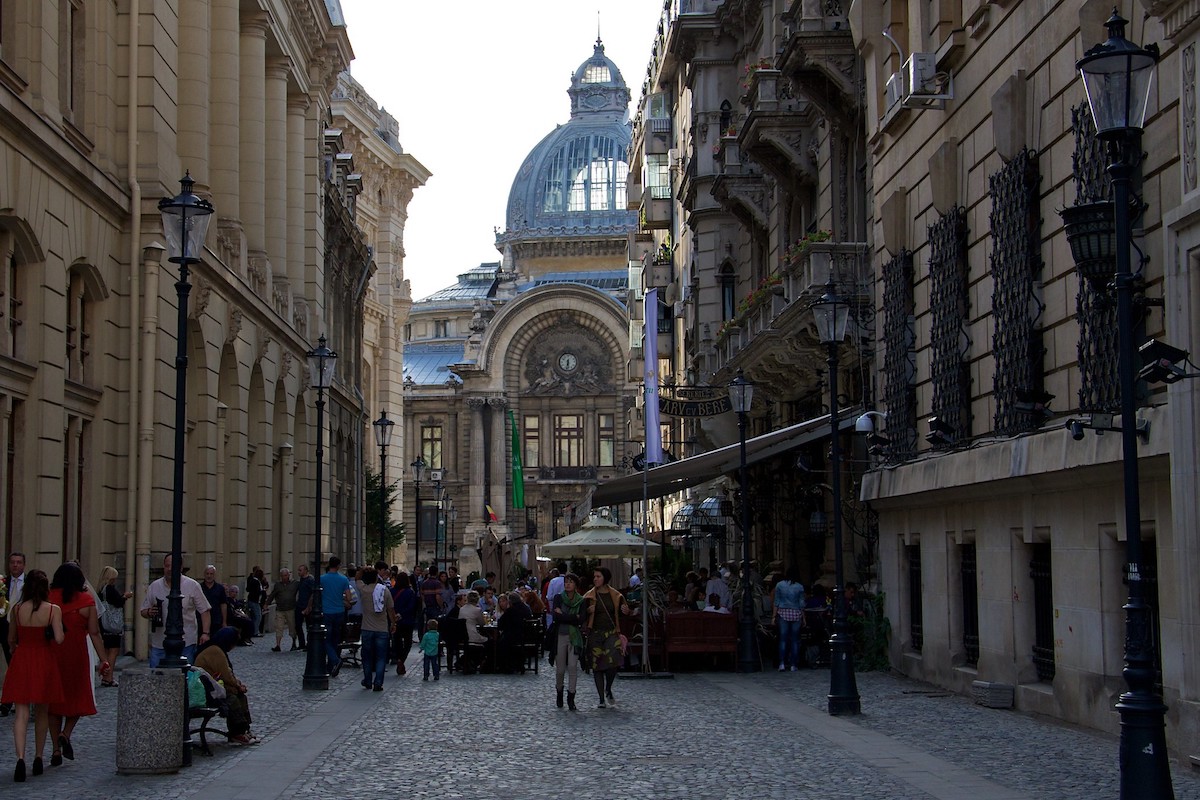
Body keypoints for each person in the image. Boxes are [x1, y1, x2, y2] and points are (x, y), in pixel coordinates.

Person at [1, 569, 64, 782]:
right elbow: (59, 638)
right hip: (43, 659)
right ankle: (38, 756)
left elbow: (11, 638)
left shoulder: (17, 609)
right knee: (42, 711)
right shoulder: (53, 609)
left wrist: (15, 648)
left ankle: (20, 758)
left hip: (23, 658)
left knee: (21, 712)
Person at [47, 563, 108, 767]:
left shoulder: (49, 599)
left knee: (54, 703)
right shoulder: (86, 601)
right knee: (78, 697)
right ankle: (66, 733)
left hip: (53, 653)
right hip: (77, 655)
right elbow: (94, 632)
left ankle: (55, 748)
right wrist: (104, 659)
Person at [140, 554, 211, 668]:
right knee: (156, 676)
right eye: (167, 566)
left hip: (186, 641)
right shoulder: (155, 586)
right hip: (159, 642)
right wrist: (149, 612)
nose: (169, 569)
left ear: (181, 568)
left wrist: (205, 633)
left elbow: (204, 610)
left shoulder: (192, 585)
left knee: (184, 676)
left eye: (173, 566)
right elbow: (143, 610)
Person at [193, 627, 258, 745]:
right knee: (232, 698)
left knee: (240, 696)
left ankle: (244, 729)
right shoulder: (215, 651)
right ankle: (237, 732)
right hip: (207, 691)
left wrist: (237, 685)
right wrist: (238, 686)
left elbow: (226, 674)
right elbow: (226, 675)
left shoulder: (217, 649)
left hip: (213, 687)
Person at [584, 566, 631, 708]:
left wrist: (626, 611)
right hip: (595, 633)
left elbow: (624, 611)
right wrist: (587, 611)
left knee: (613, 662)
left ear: (605, 578)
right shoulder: (589, 596)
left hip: (611, 632)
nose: (595, 579)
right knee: (597, 665)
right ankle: (601, 699)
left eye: (598, 576)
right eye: (594, 577)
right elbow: (581, 615)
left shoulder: (616, 595)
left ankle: (608, 688)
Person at [550, 573, 586, 711]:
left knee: (572, 667)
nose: (567, 584)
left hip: (574, 637)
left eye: (570, 582)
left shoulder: (581, 600)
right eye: (566, 582)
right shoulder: (559, 598)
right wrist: (572, 617)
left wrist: (564, 616)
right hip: (560, 635)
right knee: (560, 669)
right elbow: (556, 617)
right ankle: (559, 691)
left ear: (575, 584)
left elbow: (581, 619)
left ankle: (571, 698)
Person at [356, 567, 395, 691]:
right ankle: (378, 682)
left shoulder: (364, 589)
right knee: (381, 657)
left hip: (367, 628)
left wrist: (362, 569)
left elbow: (357, 578)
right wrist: (393, 623)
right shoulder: (385, 591)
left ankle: (367, 680)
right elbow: (390, 610)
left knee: (366, 656)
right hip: (382, 629)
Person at [0, 551, 27, 716]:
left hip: (23, 630)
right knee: (10, 666)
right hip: (4, 629)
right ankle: (7, 701)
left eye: (18, 562)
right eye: (12, 562)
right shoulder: (4, 583)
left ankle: (18, 700)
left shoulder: (29, 583)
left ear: (24, 564)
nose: (15, 565)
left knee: (18, 667)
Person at [96, 566, 132, 687]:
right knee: (113, 651)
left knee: (105, 651)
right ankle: (109, 677)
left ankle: (104, 676)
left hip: (103, 623)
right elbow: (118, 602)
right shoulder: (110, 589)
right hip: (112, 625)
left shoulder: (100, 590)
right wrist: (125, 596)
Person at [320, 556, 353, 677]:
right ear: (338, 565)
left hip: (327, 612)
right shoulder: (343, 579)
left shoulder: (322, 579)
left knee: (326, 639)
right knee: (335, 639)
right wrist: (341, 597)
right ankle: (332, 664)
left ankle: (334, 661)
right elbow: (349, 598)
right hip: (339, 612)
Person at [771, 567, 805, 671]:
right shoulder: (799, 587)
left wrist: (773, 616)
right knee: (794, 640)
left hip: (783, 612)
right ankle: (793, 664)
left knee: (783, 639)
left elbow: (776, 602)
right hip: (796, 613)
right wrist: (804, 617)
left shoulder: (780, 585)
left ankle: (781, 663)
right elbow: (801, 604)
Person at [496, 591, 531, 674]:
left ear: (510, 602)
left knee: (500, 643)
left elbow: (500, 624)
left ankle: (505, 665)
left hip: (514, 637)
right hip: (527, 636)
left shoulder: (511, 610)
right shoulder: (526, 608)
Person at [266, 568, 300, 652]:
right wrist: (266, 603)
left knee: (292, 627)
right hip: (280, 609)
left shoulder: (295, 584)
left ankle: (294, 643)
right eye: (282, 576)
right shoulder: (278, 585)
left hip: (291, 609)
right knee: (279, 627)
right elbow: (272, 595)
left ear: (288, 575)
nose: (284, 577)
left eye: (285, 575)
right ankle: (278, 645)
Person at [390, 573, 417, 676]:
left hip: (395, 620)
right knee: (408, 642)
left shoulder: (391, 591)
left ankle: (399, 658)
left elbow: (389, 605)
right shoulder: (410, 592)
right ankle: (402, 659)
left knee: (397, 641)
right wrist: (401, 614)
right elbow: (411, 607)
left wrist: (394, 616)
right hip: (406, 620)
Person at [199, 565, 229, 635]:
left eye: (211, 574)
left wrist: (224, 622)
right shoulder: (199, 587)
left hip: (216, 620)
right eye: (207, 573)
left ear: (214, 575)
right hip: (202, 620)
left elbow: (223, 605)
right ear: (204, 574)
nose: (209, 576)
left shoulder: (220, 588)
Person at [295, 563, 315, 651]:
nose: (298, 572)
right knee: (298, 625)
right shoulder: (301, 580)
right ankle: (302, 643)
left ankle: (309, 643)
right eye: (298, 570)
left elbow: (313, 593)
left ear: (306, 570)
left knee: (309, 626)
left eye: (300, 570)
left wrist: (309, 606)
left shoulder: (310, 580)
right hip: (300, 605)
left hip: (308, 606)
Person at [245, 567, 265, 638]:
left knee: (254, 617)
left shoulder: (253, 580)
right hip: (254, 601)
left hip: (253, 600)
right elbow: (256, 591)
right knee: (258, 616)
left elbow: (248, 589)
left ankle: (254, 631)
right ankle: (255, 632)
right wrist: (261, 591)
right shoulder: (256, 582)